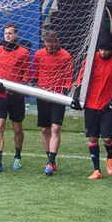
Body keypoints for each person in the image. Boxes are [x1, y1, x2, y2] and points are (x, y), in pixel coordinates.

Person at [72, 31, 112, 180]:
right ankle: (97, 170)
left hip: (107, 106)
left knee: (107, 138)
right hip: (91, 105)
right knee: (92, 138)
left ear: (111, 48)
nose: (102, 52)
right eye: (101, 49)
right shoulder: (91, 60)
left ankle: (110, 156)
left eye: (106, 49)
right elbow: (80, 78)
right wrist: (76, 97)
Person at [0, 23, 30, 173]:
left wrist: (18, 88)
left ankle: (17, 157)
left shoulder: (24, 53)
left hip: (16, 98)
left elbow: (26, 76)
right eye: (5, 33)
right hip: (0, 97)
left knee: (17, 128)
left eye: (10, 33)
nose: (7, 35)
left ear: (16, 35)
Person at [32, 30, 73, 175]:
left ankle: (50, 163)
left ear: (57, 42)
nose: (49, 47)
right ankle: (51, 160)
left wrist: (65, 91)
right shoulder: (38, 55)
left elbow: (68, 78)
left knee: (55, 128)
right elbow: (35, 74)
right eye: (46, 44)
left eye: (51, 44)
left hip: (58, 97)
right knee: (45, 130)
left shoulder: (66, 57)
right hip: (42, 96)